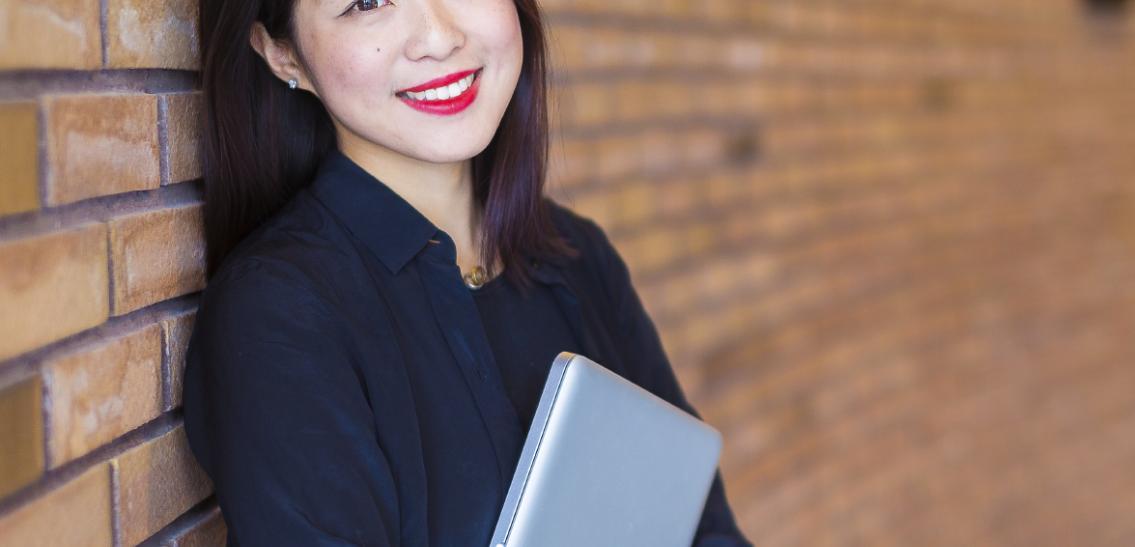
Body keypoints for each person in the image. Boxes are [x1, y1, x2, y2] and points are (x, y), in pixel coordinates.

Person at [181, 1, 753, 545]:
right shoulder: (278, 313)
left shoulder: (577, 255)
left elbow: (702, 525)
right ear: (281, 54)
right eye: (366, 2)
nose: (439, 36)